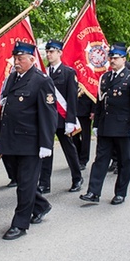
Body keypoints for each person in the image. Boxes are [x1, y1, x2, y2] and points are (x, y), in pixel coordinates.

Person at [0, 42, 58, 240]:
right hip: (11, 140)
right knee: (21, 180)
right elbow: (5, 110)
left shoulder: (41, 81)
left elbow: (49, 115)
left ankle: (19, 224)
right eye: (15, 58)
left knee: (25, 184)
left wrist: (46, 144)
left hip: (31, 142)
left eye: (20, 58)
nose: (16, 62)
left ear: (32, 59)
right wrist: (0, 137)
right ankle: (41, 205)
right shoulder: (12, 77)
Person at [80, 43, 130, 204]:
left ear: (123, 59)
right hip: (106, 126)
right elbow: (100, 103)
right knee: (100, 160)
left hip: (123, 127)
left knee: (124, 161)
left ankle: (120, 193)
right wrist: (96, 123)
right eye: (111, 57)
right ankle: (93, 192)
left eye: (116, 58)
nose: (112, 60)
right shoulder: (105, 77)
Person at [39, 39, 83, 193]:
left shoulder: (68, 72)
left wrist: (70, 120)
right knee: (46, 150)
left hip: (62, 118)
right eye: (47, 51)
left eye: (52, 51)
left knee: (69, 150)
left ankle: (77, 178)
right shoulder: (43, 73)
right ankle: (44, 183)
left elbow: (72, 99)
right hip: (47, 119)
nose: (49, 54)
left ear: (59, 53)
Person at [73, 93, 94, 170]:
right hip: (73, 109)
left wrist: (93, 110)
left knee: (85, 137)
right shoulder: (70, 80)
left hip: (85, 109)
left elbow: (93, 92)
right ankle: (77, 157)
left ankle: (83, 160)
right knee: (74, 137)